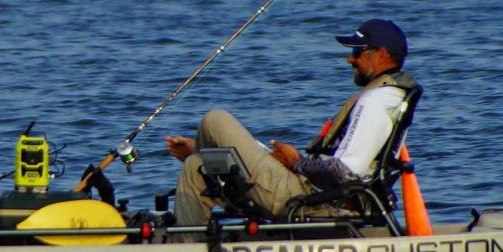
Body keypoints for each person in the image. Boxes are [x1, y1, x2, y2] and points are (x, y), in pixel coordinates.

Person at [164, 18, 420, 227]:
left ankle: (201, 149)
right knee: (197, 166)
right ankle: (188, 250)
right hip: (309, 189)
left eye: (357, 52)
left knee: (214, 120)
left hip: (312, 199)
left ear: (383, 54)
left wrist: (296, 162)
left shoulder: (376, 101)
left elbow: (345, 173)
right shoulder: (386, 96)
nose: (350, 59)